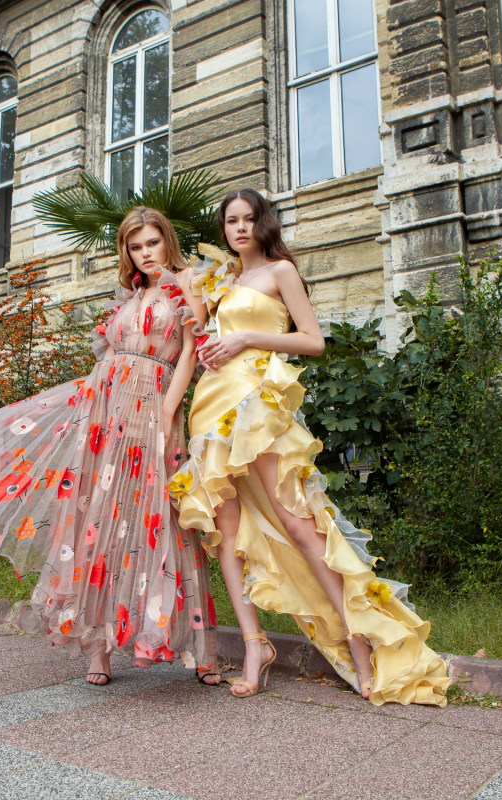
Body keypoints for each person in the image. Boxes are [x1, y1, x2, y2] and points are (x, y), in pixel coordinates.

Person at [0, 207, 220, 687]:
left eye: (151, 244)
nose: (145, 255)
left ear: (167, 240)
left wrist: (167, 410)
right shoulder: (131, 293)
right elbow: (111, 355)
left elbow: (189, 351)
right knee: (95, 519)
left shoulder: (191, 283)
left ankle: (202, 651)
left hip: (155, 405)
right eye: (135, 247)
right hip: (104, 411)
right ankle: (96, 648)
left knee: (166, 516)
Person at [169, 189, 449, 704]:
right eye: (231, 220)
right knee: (228, 534)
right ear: (222, 228)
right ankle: (255, 649)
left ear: (263, 222)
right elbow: (186, 309)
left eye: (249, 218)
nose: (240, 228)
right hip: (211, 407)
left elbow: (313, 340)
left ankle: (360, 642)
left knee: (299, 523)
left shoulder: (280, 272)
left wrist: (246, 338)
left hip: (258, 408)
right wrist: (206, 335)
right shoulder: (220, 278)